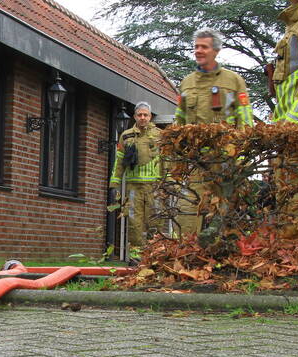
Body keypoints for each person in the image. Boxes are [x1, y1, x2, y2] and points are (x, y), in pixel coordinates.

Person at [173, 28, 254, 236]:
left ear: (216, 51)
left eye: (204, 47)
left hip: (225, 161)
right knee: (190, 208)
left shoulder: (233, 81)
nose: (198, 51)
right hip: (196, 161)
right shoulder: (186, 83)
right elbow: (179, 120)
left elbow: (245, 120)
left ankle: (223, 251)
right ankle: (189, 249)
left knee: (225, 211)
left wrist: (241, 156)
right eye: (196, 47)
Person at [109, 101, 162, 253]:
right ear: (135, 116)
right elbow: (119, 161)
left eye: (146, 115)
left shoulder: (159, 135)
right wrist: (114, 185)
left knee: (156, 221)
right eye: (140, 115)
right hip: (133, 187)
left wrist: (170, 182)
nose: (143, 117)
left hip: (155, 187)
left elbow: (168, 160)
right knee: (134, 222)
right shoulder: (126, 136)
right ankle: (136, 256)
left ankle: (155, 255)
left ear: (150, 117)